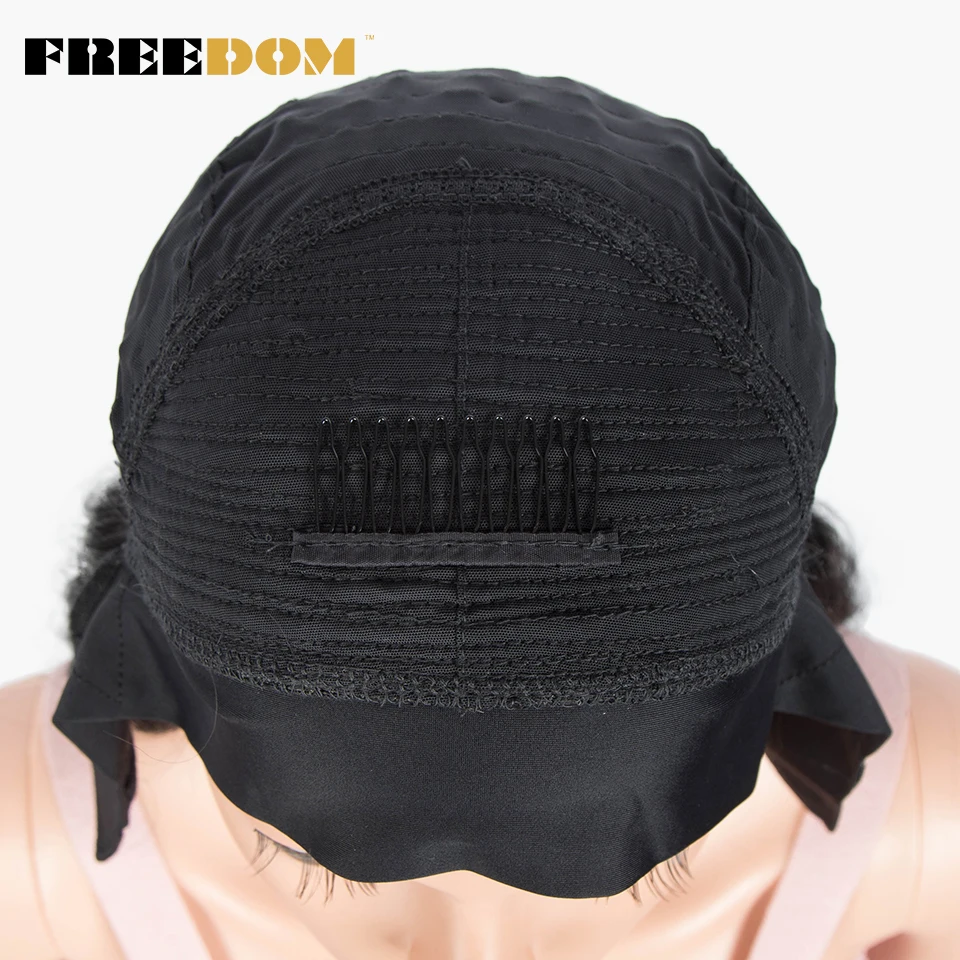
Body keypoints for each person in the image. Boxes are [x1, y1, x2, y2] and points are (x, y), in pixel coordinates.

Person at [2, 67, 958, 960]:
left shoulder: (932, 814)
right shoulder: (21, 843)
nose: (479, 943)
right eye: (304, 854)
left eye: (648, 860)